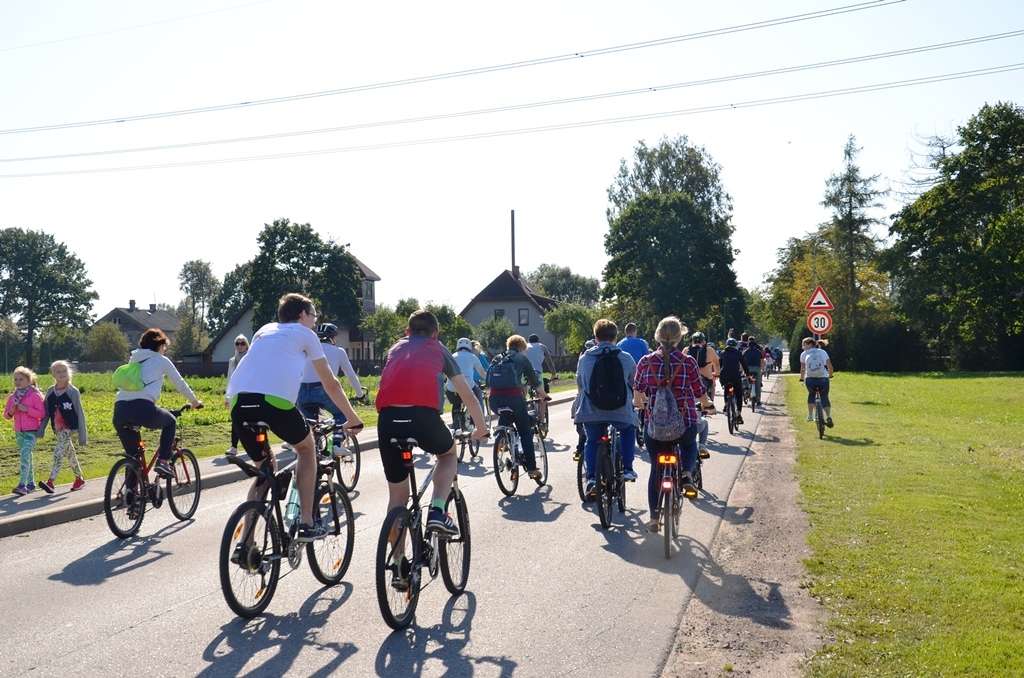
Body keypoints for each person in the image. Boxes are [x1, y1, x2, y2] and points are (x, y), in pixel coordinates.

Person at [228, 294, 363, 543]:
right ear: (302, 315)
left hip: (239, 403)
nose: (314, 321)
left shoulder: (264, 330)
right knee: (306, 448)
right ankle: (307, 523)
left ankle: (246, 542)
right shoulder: (306, 334)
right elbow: (331, 384)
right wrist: (353, 418)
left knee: (264, 470)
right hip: (273, 402)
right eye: (313, 316)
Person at [376, 310, 488, 535]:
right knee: (447, 455)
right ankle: (437, 511)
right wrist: (481, 427)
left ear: (407, 332)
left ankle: (397, 564)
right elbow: (466, 393)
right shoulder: (439, 348)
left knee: (397, 498)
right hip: (422, 417)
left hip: (387, 420)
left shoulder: (395, 348)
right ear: (435, 333)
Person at [633, 317, 714, 534]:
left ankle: (652, 518)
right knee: (690, 443)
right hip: (683, 424)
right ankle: (687, 474)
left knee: (655, 469)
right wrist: (708, 406)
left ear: (657, 336)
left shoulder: (645, 362)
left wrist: (639, 404)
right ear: (680, 337)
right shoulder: (688, 362)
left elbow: (638, 393)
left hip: (654, 428)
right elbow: (700, 392)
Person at [113, 329, 203, 480]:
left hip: (120, 409)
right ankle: (163, 461)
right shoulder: (161, 360)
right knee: (170, 422)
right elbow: (180, 384)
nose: (164, 351)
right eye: (165, 348)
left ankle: (130, 496)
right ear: (161, 346)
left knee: (133, 457)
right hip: (142, 409)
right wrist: (194, 402)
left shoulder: (134, 359)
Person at [574, 319, 638, 496]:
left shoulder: (584, 359)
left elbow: (580, 382)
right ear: (616, 337)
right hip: (620, 410)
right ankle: (627, 468)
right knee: (628, 429)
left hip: (590, 411)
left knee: (592, 441)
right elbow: (634, 382)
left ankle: (592, 477)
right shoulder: (626, 358)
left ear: (595, 337)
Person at [488, 334, 549, 482]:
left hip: (494, 400)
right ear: (522, 348)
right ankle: (533, 469)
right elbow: (534, 380)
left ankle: (501, 440)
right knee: (525, 431)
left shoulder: (497, 358)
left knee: (505, 418)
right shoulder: (522, 359)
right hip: (514, 398)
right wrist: (544, 395)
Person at [297, 322, 365, 422]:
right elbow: (351, 375)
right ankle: (338, 437)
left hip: (302, 393)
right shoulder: (339, 351)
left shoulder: (307, 351)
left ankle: (314, 435)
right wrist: (360, 395)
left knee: (309, 426)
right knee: (343, 414)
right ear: (332, 337)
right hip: (323, 390)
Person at [36, 360, 87, 493]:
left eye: (64, 371)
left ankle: (51, 482)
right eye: (58, 371)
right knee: (70, 453)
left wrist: (83, 436)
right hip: (57, 429)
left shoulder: (73, 392)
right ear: (53, 375)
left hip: (69, 428)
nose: (62, 373)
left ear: (68, 373)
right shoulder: (51, 392)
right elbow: (46, 413)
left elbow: (80, 413)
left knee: (58, 452)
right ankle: (79, 479)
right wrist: (41, 428)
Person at [6, 366, 46, 495]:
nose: (17, 382)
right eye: (15, 379)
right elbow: (6, 415)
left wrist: (26, 409)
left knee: (24, 455)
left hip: (32, 431)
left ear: (29, 381)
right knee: (27, 456)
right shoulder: (13, 397)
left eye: (21, 379)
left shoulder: (34, 395)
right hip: (19, 431)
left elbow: (42, 413)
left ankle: (22, 485)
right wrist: (11, 412)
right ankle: (31, 484)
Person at [445, 337, 487, 430]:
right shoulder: (473, 357)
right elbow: (483, 374)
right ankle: (472, 424)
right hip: (468, 387)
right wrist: (490, 381)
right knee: (474, 402)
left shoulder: (452, 356)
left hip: (451, 388)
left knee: (456, 405)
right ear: (469, 347)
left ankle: (455, 428)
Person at [799, 337, 835, 426]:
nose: (803, 347)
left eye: (804, 345)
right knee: (824, 397)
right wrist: (830, 375)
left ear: (809, 344)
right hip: (823, 378)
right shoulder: (823, 352)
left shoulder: (804, 354)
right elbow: (830, 367)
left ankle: (810, 415)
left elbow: (803, 369)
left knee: (811, 394)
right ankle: (829, 416)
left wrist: (802, 378)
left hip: (810, 379)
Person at [224, 334, 249, 455]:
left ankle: (255, 445)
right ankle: (234, 446)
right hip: (236, 395)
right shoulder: (232, 361)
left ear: (246, 345)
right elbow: (230, 378)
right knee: (235, 419)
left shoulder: (251, 358)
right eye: (237, 343)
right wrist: (227, 398)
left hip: (250, 394)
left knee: (251, 420)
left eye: (242, 343)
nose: (240, 346)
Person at [718, 337, 751, 424]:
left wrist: (718, 373)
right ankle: (739, 415)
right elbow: (744, 364)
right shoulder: (738, 353)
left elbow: (719, 364)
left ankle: (726, 405)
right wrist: (748, 375)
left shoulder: (722, 353)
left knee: (726, 388)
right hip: (736, 376)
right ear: (736, 345)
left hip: (725, 376)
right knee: (739, 394)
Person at [742, 335, 766, 401]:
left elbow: (742, 362)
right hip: (757, 369)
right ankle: (758, 400)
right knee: (758, 384)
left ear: (748, 345)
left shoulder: (745, 352)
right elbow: (762, 362)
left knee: (744, 378)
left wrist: (741, 370)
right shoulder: (758, 352)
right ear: (755, 345)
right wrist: (762, 370)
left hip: (748, 369)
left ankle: (746, 389)